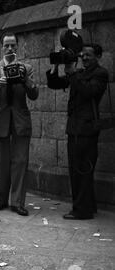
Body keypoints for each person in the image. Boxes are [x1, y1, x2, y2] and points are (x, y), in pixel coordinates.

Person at [46, 44, 109, 220]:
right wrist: (55, 67)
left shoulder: (100, 73)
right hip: (74, 129)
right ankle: (88, 206)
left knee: (83, 170)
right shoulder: (79, 73)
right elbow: (55, 84)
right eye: (83, 55)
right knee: (76, 169)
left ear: (98, 56)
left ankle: (82, 211)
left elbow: (89, 92)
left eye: (89, 55)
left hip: (87, 130)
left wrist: (72, 72)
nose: (85, 58)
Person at [0, 32, 39, 217]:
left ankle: (17, 203)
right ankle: (2, 200)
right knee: (2, 162)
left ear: (17, 47)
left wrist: (25, 79)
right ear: (1, 47)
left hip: (20, 120)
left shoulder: (26, 68)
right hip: (0, 120)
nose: (9, 49)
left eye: (13, 45)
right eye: (6, 45)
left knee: (21, 161)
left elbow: (34, 94)